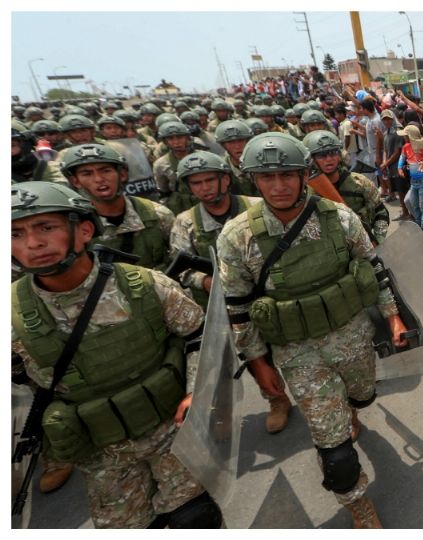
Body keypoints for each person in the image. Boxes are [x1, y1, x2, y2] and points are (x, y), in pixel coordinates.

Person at [218, 133, 411, 528]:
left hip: (353, 334)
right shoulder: (237, 237)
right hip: (297, 351)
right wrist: (258, 364)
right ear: (252, 180)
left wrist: (393, 317)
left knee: (362, 395)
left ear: (304, 174)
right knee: (334, 449)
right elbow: (237, 307)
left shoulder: (339, 217)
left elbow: (373, 269)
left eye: (288, 175)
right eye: (267, 178)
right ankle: (357, 503)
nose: (279, 186)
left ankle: (353, 409)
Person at [11, 181, 223, 528]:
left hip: (171, 429)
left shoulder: (146, 284)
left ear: (84, 230)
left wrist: (194, 390)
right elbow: (21, 385)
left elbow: (199, 336)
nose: (33, 243)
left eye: (46, 227)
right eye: (15, 234)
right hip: (100, 449)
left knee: (195, 517)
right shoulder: (12, 316)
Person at [167, 150, 294, 436]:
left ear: (226, 179)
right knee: (231, 360)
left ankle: (289, 396)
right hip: (218, 307)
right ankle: (250, 405)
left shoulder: (256, 207)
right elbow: (181, 269)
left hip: (264, 297)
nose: (205, 187)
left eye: (210, 179)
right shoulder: (185, 223)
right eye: (196, 183)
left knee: (273, 351)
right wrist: (205, 281)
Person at [60, 143, 173, 270]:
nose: (99, 179)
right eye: (87, 174)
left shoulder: (158, 215)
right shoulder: (73, 226)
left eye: (105, 170)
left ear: (122, 174)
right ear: (75, 181)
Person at [302, 130, 390, 245]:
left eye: (333, 153)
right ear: (312, 160)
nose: (329, 159)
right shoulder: (305, 192)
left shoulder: (359, 182)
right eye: (321, 155)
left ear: (339, 156)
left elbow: (381, 213)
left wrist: (378, 241)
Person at [153, 122, 198, 216]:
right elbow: (163, 191)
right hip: (179, 207)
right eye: (171, 138)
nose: (176, 142)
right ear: (165, 142)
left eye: (180, 137)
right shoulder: (161, 164)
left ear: (187, 138)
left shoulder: (202, 157)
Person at [398, 124, 423, 230]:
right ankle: (418, 222)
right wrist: (399, 168)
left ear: (411, 136)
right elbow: (401, 158)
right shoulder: (406, 147)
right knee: (412, 202)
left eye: (406, 135)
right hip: (413, 180)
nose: (404, 137)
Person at [214, 119, 259, 196]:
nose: (237, 146)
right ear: (223, 145)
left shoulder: (260, 162)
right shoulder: (219, 169)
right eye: (230, 142)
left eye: (241, 140)